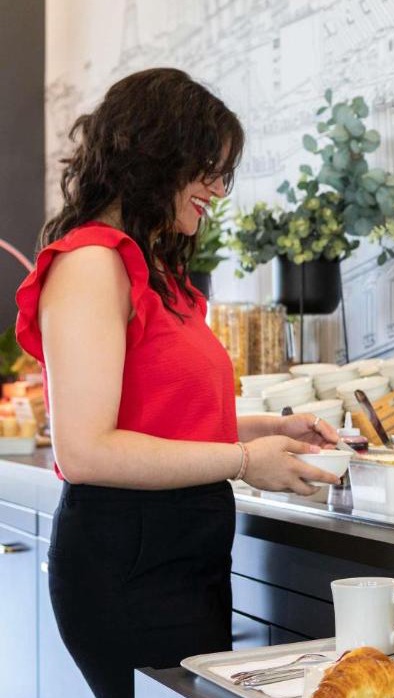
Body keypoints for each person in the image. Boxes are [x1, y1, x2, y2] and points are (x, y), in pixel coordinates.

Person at [14, 68, 343, 698]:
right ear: (155, 154)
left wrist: (268, 429)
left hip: (179, 553)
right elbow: (85, 451)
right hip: (128, 559)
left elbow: (159, 419)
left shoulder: (152, 269)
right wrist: (244, 461)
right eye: (207, 169)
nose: (217, 189)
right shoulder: (91, 264)